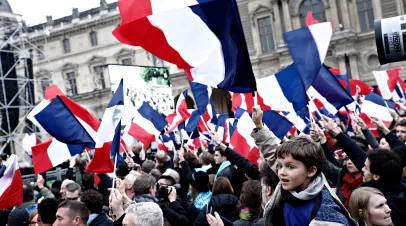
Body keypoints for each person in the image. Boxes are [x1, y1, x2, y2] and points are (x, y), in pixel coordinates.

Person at [263, 137, 357, 225]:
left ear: (311, 171)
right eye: (279, 166)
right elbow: (271, 152)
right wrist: (259, 127)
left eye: (290, 167)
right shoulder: (290, 183)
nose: (281, 172)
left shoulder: (327, 215)